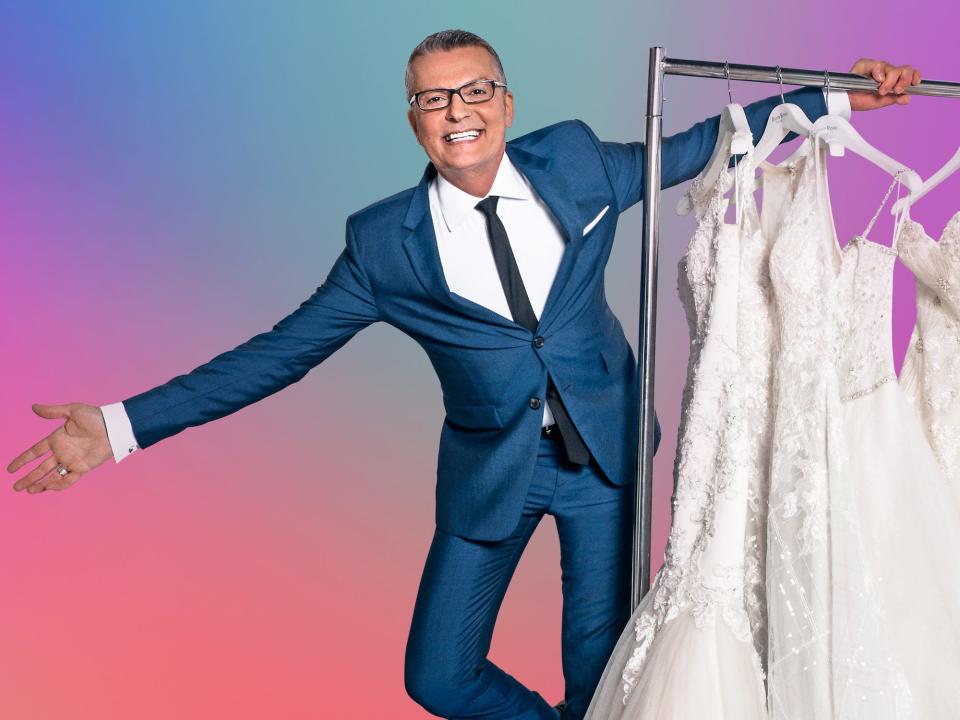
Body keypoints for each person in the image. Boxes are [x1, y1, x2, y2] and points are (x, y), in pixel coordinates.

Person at [6, 29, 920, 720]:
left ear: (506, 102)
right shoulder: (382, 244)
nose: (458, 111)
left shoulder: (574, 162)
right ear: (415, 119)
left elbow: (700, 145)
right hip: (493, 477)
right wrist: (122, 426)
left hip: (607, 460)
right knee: (438, 674)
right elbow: (276, 355)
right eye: (434, 99)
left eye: (474, 90)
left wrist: (833, 100)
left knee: (600, 661)